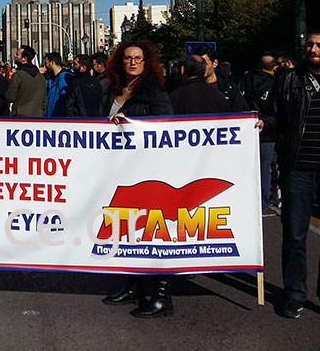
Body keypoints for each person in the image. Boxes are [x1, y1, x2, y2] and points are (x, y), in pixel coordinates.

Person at [259, 31, 320, 327]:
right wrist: (262, 124)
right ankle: (294, 294)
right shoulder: (288, 80)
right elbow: (274, 115)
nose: (313, 49)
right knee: (295, 236)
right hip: (298, 171)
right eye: (310, 44)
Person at [100, 40, 174, 318]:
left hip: (148, 171)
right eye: (128, 58)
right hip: (119, 170)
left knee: (153, 232)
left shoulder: (154, 91)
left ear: (146, 62)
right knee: (128, 230)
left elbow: (167, 127)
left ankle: (162, 296)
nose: (132, 62)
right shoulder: (112, 90)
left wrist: (132, 125)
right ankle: (133, 285)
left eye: (138, 58)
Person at [241, 51, 279, 213]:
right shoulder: (275, 83)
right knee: (265, 167)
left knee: (245, 166)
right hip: (267, 130)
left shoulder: (246, 79)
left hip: (245, 128)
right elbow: (277, 108)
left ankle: (245, 198)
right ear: (275, 68)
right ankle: (263, 202)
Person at [192, 45, 248, 112]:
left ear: (215, 63)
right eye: (198, 64)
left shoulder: (229, 88)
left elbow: (240, 111)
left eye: (205, 64)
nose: (201, 68)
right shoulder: (189, 87)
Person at [5, 45, 47, 117]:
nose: (14, 56)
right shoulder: (41, 77)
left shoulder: (18, 75)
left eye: (17, 54)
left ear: (24, 59)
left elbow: (10, 97)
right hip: (38, 116)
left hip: (20, 116)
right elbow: (44, 100)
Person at [43, 52, 70, 117]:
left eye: (46, 63)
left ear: (52, 63)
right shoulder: (49, 78)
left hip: (58, 116)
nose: (45, 66)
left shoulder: (64, 77)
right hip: (50, 115)